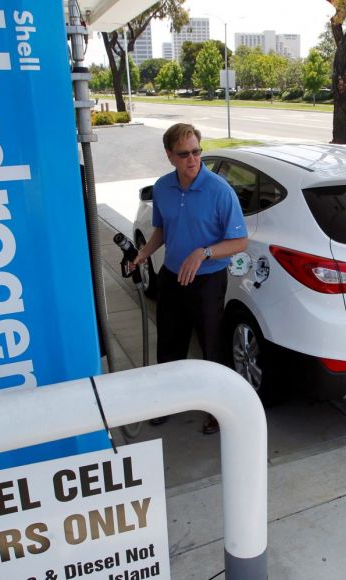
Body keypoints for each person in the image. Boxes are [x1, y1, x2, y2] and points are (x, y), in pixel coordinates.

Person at [132, 123, 248, 435]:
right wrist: (144, 252)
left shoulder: (220, 191)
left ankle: (218, 410)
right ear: (170, 156)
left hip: (208, 281)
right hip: (172, 276)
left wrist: (204, 252)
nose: (193, 159)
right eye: (184, 154)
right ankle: (168, 401)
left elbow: (240, 242)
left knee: (212, 346)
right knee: (169, 343)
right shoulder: (162, 187)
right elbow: (162, 229)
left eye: (197, 152)